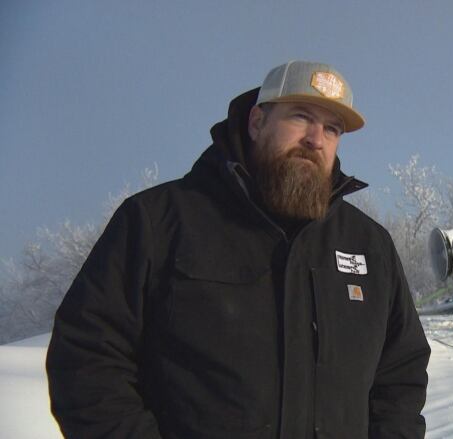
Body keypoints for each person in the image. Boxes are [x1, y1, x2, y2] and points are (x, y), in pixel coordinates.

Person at [46, 60, 431, 439]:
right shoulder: (159, 222)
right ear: (257, 122)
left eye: (332, 129)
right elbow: (87, 357)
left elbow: (400, 372)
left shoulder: (368, 246)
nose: (316, 139)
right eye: (300, 117)